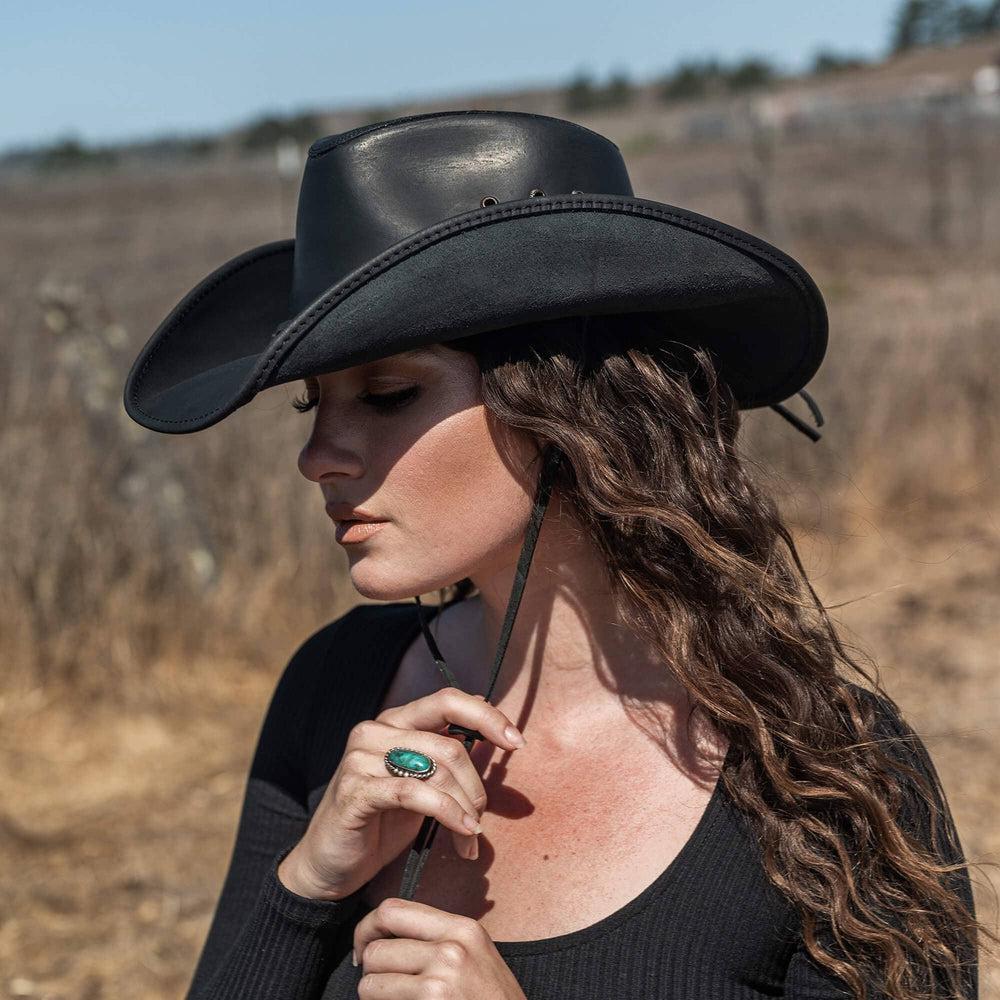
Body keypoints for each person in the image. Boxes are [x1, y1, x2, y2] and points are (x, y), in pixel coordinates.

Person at [121, 111, 985, 999]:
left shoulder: (820, 768)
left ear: (567, 408)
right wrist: (305, 891)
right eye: (313, 407)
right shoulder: (334, 691)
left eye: (386, 395)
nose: (318, 457)